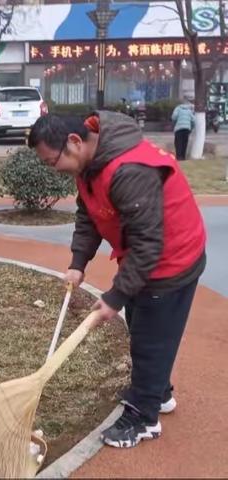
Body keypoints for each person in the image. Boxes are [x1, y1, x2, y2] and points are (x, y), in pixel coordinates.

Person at [28, 111, 206, 448]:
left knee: (152, 337)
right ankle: (157, 392)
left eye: (52, 162)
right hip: (143, 257)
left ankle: (143, 417)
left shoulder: (128, 171)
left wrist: (114, 296)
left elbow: (149, 245)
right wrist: (78, 262)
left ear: (75, 142)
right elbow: (89, 214)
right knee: (142, 328)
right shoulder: (90, 165)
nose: (53, 169)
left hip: (171, 260)